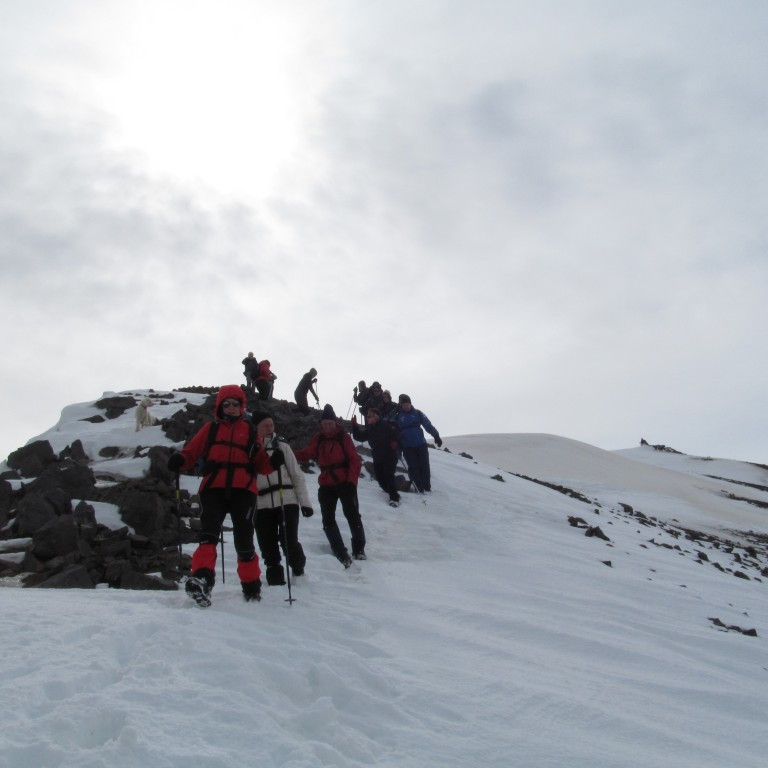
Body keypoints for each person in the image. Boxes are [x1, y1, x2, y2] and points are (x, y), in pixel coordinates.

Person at [167, 384, 286, 606]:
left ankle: (251, 586)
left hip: (244, 491)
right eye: (227, 404)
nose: (231, 408)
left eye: (236, 404)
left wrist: (273, 463)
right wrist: (180, 461)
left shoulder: (250, 432)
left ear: (242, 406)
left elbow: (262, 466)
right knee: (208, 534)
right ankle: (203, 579)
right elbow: (191, 453)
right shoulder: (210, 429)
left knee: (244, 541)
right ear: (220, 406)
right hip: (214, 489)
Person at [294, 404, 365, 567]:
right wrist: (288, 453)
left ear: (334, 423)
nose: (327, 426)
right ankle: (340, 551)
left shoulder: (343, 437)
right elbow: (307, 453)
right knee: (328, 519)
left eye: (330, 423)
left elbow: (354, 460)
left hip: (344, 482)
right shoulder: (318, 438)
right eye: (324, 423)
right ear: (321, 424)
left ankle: (359, 549)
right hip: (326, 484)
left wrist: (351, 482)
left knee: (352, 515)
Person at [251, 411, 314, 585]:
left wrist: (305, 504)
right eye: (265, 425)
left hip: (287, 500)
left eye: (271, 424)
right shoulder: (250, 449)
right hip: (261, 503)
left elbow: (296, 475)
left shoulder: (282, 447)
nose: (270, 428)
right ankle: (275, 576)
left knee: (288, 541)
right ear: (256, 427)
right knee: (267, 544)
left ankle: (297, 565)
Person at [352, 406, 401, 507]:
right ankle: (392, 492)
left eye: (370, 416)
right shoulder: (370, 429)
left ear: (377, 416)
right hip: (378, 456)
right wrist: (354, 426)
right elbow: (359, 437)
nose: (368, 418)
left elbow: (398, 436)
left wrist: (395, 442)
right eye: (367, 416)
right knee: (380, 478)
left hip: (389, 455)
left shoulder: (386, 425)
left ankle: (394, 498)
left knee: (388, 476)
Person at [395, 394, 442, 494]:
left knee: (424, 466)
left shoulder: (418, 413)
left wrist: (436, 436)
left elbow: (427, 425)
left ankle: (427, 487)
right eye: (404, 405)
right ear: (401, 405)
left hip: (421, 445)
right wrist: (398, 445)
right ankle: (419, 488)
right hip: (407, 447)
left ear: (411, 403)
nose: (406, 406)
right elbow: (395, 431)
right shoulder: (398, 416)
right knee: (413, 467)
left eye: (407, 404)